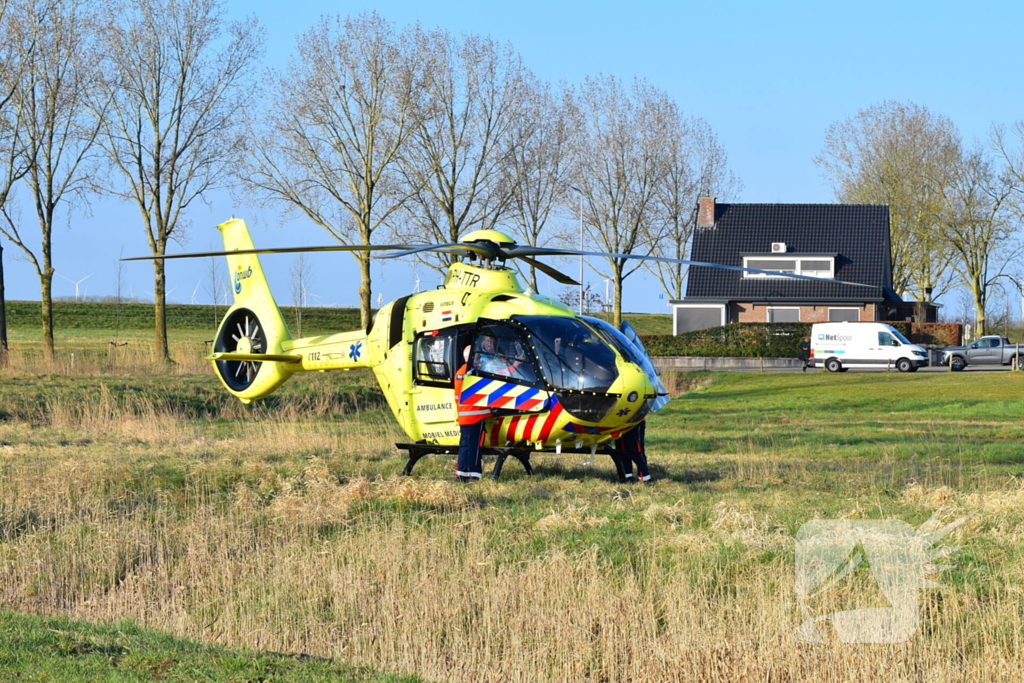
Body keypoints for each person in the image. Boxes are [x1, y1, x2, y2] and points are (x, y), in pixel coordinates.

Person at [454, 344, 492, 482]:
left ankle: (461, 473)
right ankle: (473, 474)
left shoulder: (460, 372)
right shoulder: (473, 372)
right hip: (475, 414)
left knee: (465, 445)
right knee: (474, 446)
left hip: (464, 415)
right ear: (471, 356)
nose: (479, 356)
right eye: (477, 354)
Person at [610, 419, 651, 483]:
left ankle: (644, 478)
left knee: (636, 450)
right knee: (622, 450)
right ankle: (626, 476)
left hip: (636, 420)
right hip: (619, 419)